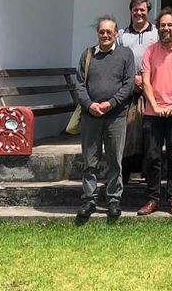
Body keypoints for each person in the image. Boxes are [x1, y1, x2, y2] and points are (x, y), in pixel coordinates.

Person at [137, 8, 172, 216]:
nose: (166, 28)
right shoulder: (150, 51)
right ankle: (153, 199)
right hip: (153, 112)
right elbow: (145, 81)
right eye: (162, 25)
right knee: (152, 156)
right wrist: (155, 105)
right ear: (158, 28)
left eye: (169, 24)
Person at [76, 15, 135, 220]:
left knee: (114, 160)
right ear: (97, 33)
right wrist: (90, 104)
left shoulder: (125, 55)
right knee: (89, 160)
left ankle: (113, 200)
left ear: (116, 33)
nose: (105, 35)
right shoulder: (88, 55)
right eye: (102, 31)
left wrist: (111, 103)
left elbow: (128, 84)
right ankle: (89, 199)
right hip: (91, 116)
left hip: (116, 116)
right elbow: (80, 84)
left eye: (109, 31)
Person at [118, 0, 158, 181]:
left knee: (148, 134)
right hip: (128, 91)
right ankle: (124, 175)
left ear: (148, 11)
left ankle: (148, 173)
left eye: (142, 10)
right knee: (127, 133)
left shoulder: (157, 34)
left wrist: (146, 79)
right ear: (131, 11)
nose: (139, 13)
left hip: (151, 91)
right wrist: (131, 79)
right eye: (135, 10)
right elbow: (117, 61)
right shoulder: (122, 35)